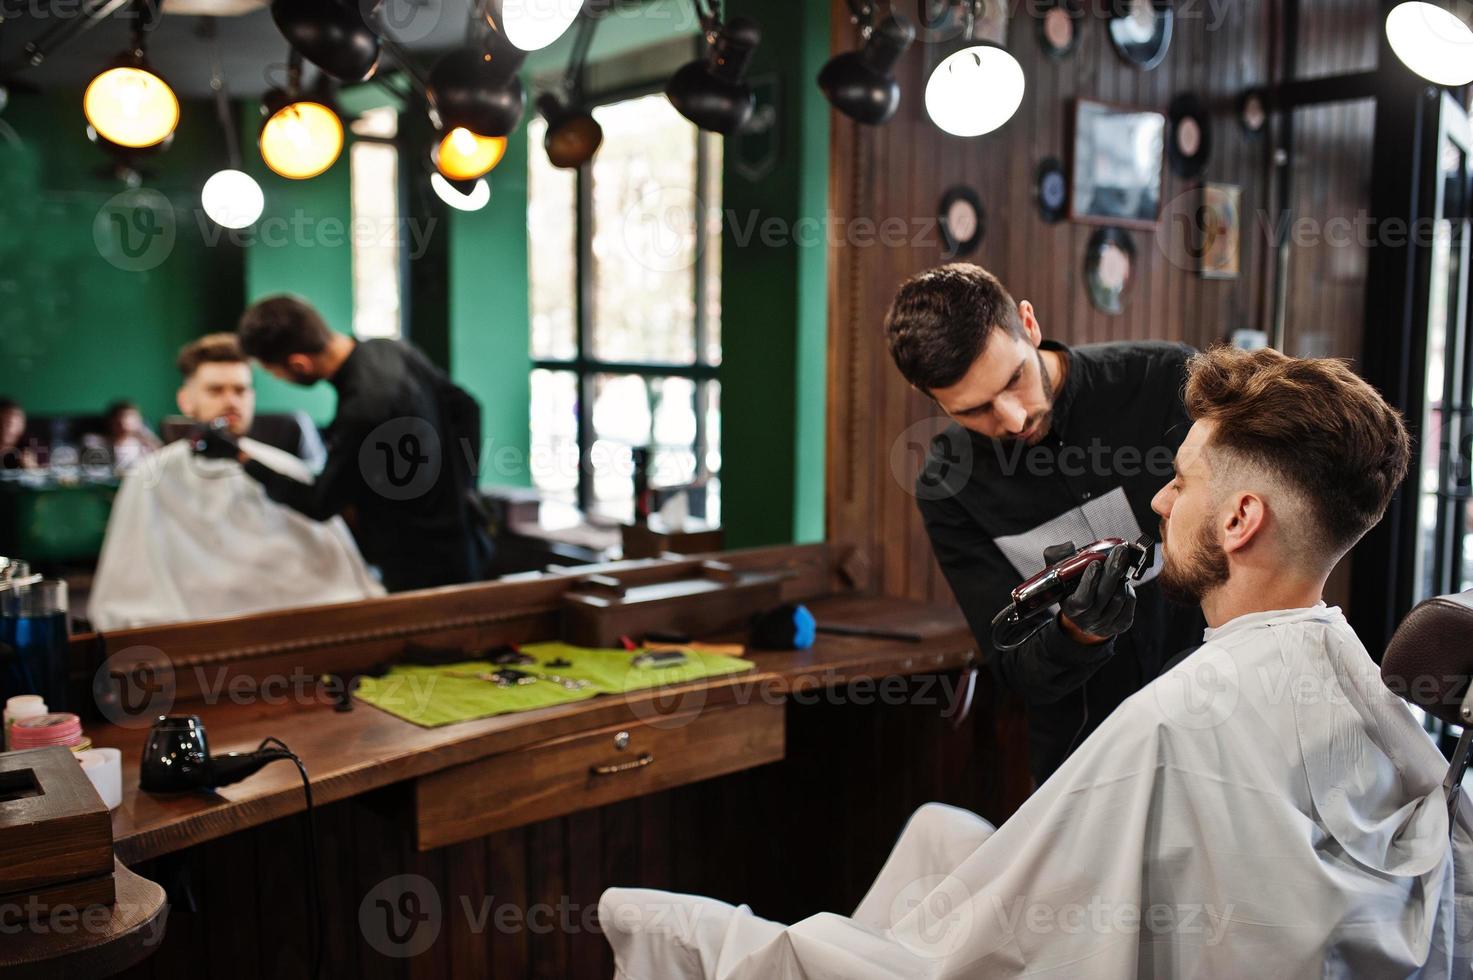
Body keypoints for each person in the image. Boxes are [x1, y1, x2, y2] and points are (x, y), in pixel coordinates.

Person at [599, 347, 1473, 977]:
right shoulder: (1361, 688)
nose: (1161, 500)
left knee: (650, 915)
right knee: (941, 829)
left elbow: (959, 962)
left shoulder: (1173, 724)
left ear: (1240, 520)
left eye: (1180, 479)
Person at [885, 263, 1204, 783]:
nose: (1011, 420)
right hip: (1086, 759)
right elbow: (1013, 667)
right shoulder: (949, 484)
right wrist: (1077, 632)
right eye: (974, 410)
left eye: (1014, 379)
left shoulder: (1166, 379)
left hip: (1220, 712)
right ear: (934, 400)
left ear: (1028, 325)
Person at [88, 335, 383, 630]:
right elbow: (125, 595)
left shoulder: (285, 468)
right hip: (197, 633)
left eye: (241, 390)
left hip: (288, 625)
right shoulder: (149, 477)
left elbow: (342, 579)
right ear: (186, 400)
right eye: (216, 390)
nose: (231, 401)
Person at [231, 295, 492, 593]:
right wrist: (463, 487)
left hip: (418, 564)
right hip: (463, 533)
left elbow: (319, 503)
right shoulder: (391, 348)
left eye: (272, 372)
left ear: (298, 364)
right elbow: (468, 408)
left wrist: (243, 459)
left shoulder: (362, 411)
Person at [102, 400, 162, 472]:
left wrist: (144, 436)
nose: (126, 422)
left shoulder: (143, 442)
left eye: (135, 418)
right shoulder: (100, 443)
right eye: (123, 417)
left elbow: (162, 457)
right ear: (113, 421)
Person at [0, 397, 37, 469]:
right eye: (3, 421)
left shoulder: (30, 444)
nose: (8, 428)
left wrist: (32, 468)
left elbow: (41, 472)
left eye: (15, 422)